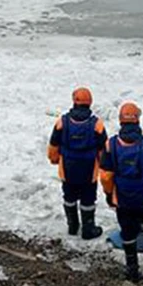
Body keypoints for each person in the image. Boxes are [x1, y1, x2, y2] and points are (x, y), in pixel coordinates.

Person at [100, 102, 143, 281]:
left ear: (121, 120)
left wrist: (109, 194)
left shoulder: (111, 145)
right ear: (137, 120)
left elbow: (106, 175)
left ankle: (132, 268)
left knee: (128, 233)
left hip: (123, 199)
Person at [47, 87, 108, 239]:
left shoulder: (62, 122)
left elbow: (53, 144)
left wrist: (54, 159)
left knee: (69, 196)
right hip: (89, 170)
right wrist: (103, 165)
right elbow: (103, 149)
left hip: (67, 168)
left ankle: (72, 226)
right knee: (88, 199)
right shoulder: (97, 124)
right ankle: (88, 229)